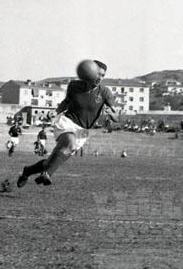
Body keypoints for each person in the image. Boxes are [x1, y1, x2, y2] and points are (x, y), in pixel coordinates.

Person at [17, 59, 118, 188]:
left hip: (83, 131)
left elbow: (116, 117)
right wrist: (56, 112)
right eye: (97, 73)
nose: (100, 77)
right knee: (70, 143)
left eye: (103, 75)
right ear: (89, 72)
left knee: (50, 162)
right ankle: (47, 174)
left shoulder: (105, 92)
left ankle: (27, 171)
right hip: (67, 122)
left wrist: (111, 114)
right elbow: (66, 102)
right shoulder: (74, 86)